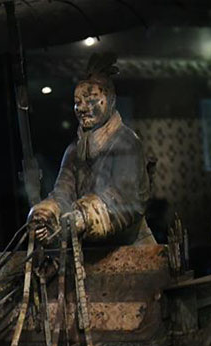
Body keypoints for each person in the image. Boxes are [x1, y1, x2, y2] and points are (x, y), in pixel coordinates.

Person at [27, 53, 154, 246]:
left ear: (110, 100)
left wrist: (85, 217)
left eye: (91, 100)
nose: (82, 108)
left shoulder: (126, 143)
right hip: (89, 250)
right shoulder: (74, 150)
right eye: (78, 102)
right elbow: (63, 193)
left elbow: (126, 199)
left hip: (132, 249)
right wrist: (48, 214)